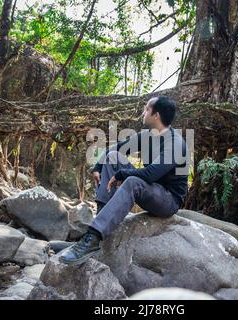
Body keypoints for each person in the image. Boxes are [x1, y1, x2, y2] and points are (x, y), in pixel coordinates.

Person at [59, 96, 189, 265]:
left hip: (168, 200)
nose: (143, 112)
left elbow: (151, 174)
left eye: (147, 109)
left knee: (132, 181)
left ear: (156, 115)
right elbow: (116, 149)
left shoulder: (176, 143)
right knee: (112, 157)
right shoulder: (147, 136)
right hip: (151, 188)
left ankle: (92, 238)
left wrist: (121, 174)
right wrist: (98, 167)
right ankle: (95, 235)